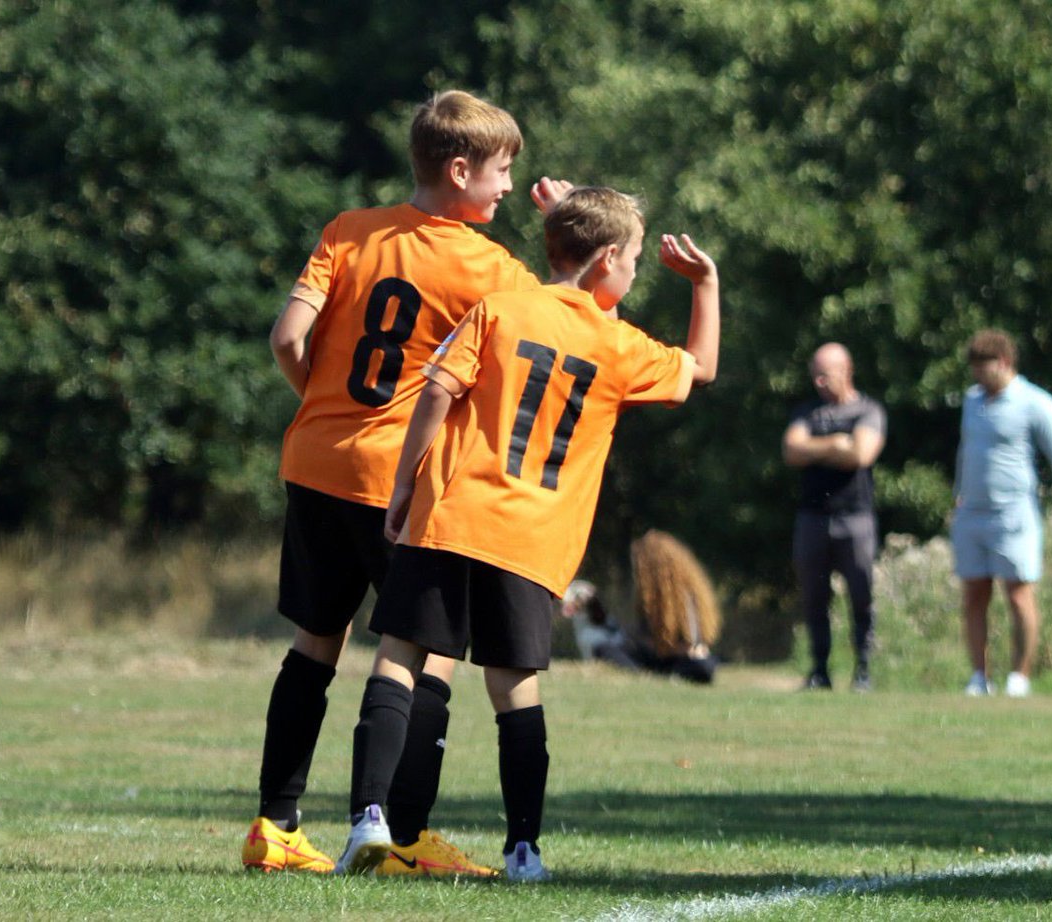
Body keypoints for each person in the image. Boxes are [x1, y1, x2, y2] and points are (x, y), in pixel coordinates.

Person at [333, 186, 720, 882]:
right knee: (515, 692)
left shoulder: (502, 306)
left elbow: (437, 390)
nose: (634, 270)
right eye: (632, 259)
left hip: (450, 518)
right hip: (532, 543)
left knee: (398, 659)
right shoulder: (617, 343)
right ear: (607, 261)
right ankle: (523, 849)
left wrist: (403, 484)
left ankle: (369, 818)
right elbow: (701, 368)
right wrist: (706, 286)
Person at [241, 89, 572, 877]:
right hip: (404, 482)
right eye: (500, 173)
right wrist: (563, 224)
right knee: (427, 656)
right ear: (460, 170)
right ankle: (401, 837)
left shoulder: (349, 231)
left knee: (314, 644)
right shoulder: (493, 270)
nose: (505, 188)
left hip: (315, 462)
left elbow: (288, 336)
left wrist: (322, 406)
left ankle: (275, 825)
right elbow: (569, 321)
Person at [953, 329, 1052, 698]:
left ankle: (1019, 677)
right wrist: (958, 493)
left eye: (983, 370)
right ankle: (978, 677)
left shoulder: (1036, 403)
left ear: (1003, 363)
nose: (978, 378)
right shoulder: (972, 401)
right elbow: (965, 451)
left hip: (1014, 513)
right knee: (974, 594)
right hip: (972, 513)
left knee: (1018, 594)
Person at [782, 343, 886, 691]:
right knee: (814, 597)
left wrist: (820, 447)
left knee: (861, 595)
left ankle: (864, 669)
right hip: (813, 518)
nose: (820, 382)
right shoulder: (806, 412)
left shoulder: (869, 410)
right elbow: (792, 450)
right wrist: (836, 444)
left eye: (826, 374)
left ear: (847, 370)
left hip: (856, 518)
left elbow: (861, 454)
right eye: (815, 375)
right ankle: (820, 669)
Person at [560, 530, 722, 684]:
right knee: (606, 648)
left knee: (702, 667)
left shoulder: (685, 599)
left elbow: (687, 646)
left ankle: (647, 674)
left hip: (679, 660)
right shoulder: (653, 601)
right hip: (660, 657)